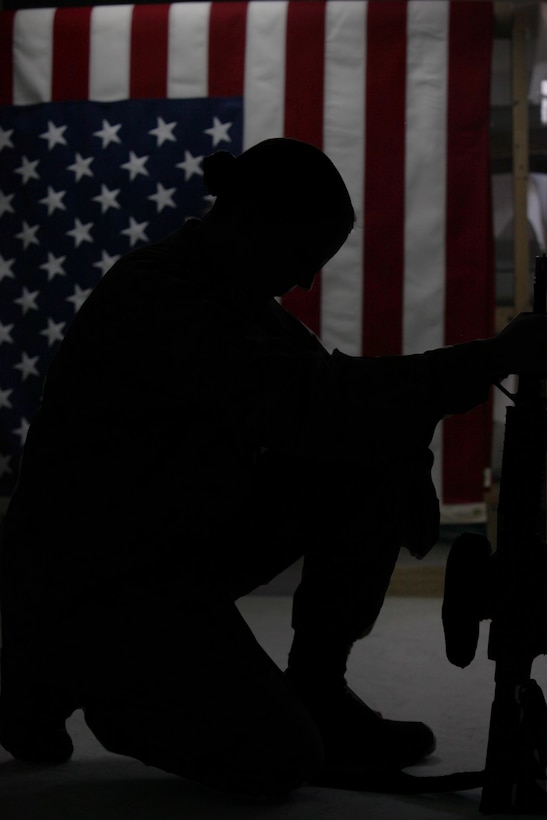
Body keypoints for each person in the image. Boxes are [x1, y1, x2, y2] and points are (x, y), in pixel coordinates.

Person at [0, 137, 545, 802]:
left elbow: (341, 402)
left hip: (168, 550)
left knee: (376, 449)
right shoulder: (159, 296)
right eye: (300, 258)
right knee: (277, 758)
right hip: (100, 581)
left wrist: (404, 456)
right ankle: (75, 677)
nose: (305, 282)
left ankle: (316, 687)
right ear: (249, 221)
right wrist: (491, 357)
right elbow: (314, 403)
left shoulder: (228, 294)